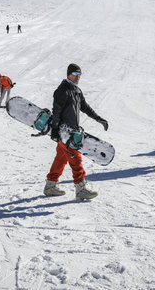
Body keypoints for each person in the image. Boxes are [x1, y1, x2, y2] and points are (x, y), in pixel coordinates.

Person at [44, 63, 108, 200]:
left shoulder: (76, 91)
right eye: (75, 74)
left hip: (71, 131)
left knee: (60, 159)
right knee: (75, 158)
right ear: (68, 74)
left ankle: (50, 186)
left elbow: (85, 107)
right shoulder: (62, 90)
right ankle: (80, 189)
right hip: (64, 132)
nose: (78, 77)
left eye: (80, 75)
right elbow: (57, 110)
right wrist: (55, 128)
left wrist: (98, 119)